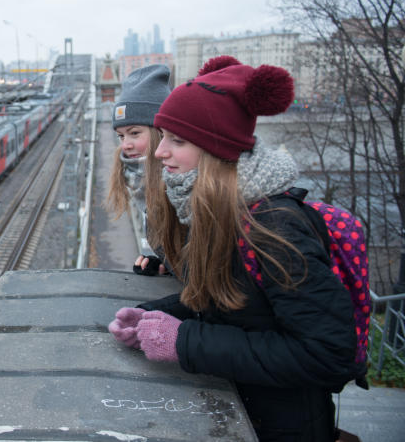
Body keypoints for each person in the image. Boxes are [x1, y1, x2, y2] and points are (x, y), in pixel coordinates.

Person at [108, 55, 360, 441]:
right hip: (254, 408)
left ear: (215, 148)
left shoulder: (272, 229)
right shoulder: (216, 210)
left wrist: (183, 340)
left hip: (283, 426)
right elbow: (234, 304)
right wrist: (152, 315)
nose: (159, 152)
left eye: (176, 141)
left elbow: (328, 355)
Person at [106, 64, 171, 275]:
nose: (125, 144)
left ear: (160, 132)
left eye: (134, 133)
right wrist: (163, 263)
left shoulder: (182, 183)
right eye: (121, 136)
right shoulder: (140, 180)